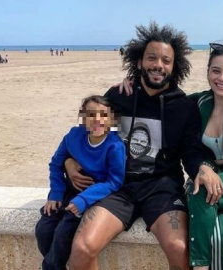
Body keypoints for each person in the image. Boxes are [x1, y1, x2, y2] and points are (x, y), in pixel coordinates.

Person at [118, 43, 223, 270]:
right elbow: (161, 95)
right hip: (220, 186)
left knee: (199, 188)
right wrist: (133, 83)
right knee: (220, 234)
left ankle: (200, 267)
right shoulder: (197, 103)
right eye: (215, 71)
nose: (221, 78)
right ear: (207, 72)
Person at [65, 21, 214, 270]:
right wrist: (68, 162)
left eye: (166, 60)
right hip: (118, 186)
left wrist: (203, 168)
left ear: (174, 66)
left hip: (162, 187)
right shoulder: (118, 96)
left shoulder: (184, 107)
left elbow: (191, 152)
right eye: (151, 58)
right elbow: (87, 132)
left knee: (179, 249)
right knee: (82, 248)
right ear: (138, 62)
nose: (158, 65)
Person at [35, 95, 126, 270]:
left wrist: (83, 200)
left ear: (112, 119)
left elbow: (114, 181)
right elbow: (56, 164)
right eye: (91, 115)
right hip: (68, 189)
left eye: (103, 115)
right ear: (83, 118)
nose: (97, 120)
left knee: (64, 232)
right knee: (43, 230)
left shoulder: (115, 146)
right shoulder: (73, 135)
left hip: (92, 195)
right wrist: (55, 194)